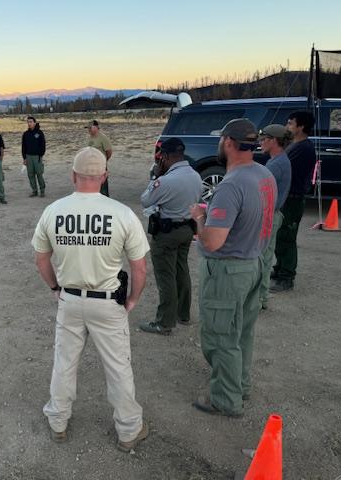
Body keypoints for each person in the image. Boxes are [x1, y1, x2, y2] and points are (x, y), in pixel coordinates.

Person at [31, 147, 151, 453]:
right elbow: (139, 267)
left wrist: (54, 288)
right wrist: (133, 300)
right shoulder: (122, 213)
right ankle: (128, 430)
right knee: (118, 368)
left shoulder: (53, 211)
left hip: (69, 300)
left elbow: (41, 259)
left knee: (64, 363)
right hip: (108, 302)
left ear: (73, 175)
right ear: (104, 176)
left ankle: (58, 422)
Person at [189, 119, 277, 417]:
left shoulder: (231, 185)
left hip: (227, 270)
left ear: (228, 142)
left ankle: (225, 400)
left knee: (220, 337)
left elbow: (213, 242)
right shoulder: (264, 174)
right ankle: (240, 384)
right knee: (243, 333)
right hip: (254, 263)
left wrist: (199, 218)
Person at [138, 138, 202, 335]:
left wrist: (154, 177)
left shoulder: (164, 181)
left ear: (164, 157)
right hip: (187, 230)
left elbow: (145, 200)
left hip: (167, 233)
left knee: (166, 276)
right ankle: (183, 314)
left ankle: (165, 322)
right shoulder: (195, 175)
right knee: (182, 270)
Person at [270, 111, 316, 293]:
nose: (287, 127)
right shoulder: (293, 145)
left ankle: (286, 277)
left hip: (293, 199)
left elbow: (284, 169)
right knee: (280, 236)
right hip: (286, 198)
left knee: (287, 237)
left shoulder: (303, 148)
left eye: (290, 124)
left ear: (301, 127)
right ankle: (279, 268)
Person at [257, 124, 292, 308]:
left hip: (268, 216)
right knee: (265, 256)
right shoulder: (279, 160)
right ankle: (261, 297)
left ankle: (259, 298)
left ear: (274, 141)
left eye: (264, 139)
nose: (261, 143)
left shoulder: (276, 164)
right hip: (274, 214)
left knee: (260, 258)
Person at [86, 120, 113, 196]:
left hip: (101, 167)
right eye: (88, 128)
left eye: (90, 128)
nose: (88, 130)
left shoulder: (103, 138)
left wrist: (103, 161)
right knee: (93, 188)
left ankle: (105, 204)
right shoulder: (90, 138)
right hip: (92, 167)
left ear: (96, 127)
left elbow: (109, 152)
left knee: (103, 188)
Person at [21, 116, 47, 197]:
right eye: (28, 122)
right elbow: (23, 147)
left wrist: (40, 154)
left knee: (39, 174)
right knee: (30, 175)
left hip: (37, 157)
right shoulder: (25, 134)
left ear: (35, 123)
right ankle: (34, 190)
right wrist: (24, 158)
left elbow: (43, 145)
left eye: (31, 122)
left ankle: (42, 190)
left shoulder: (39, 133)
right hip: (28, 157)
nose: (29, 123)